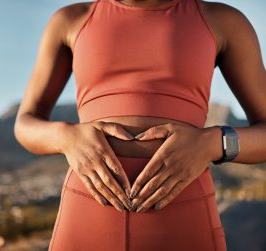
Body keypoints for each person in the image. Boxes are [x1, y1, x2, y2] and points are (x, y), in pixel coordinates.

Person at [14, 0, 266, 250]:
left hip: (185, 218)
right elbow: (25, 123)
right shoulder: (70, 20)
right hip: (85, 218)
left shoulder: (223, 21)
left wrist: (214, 143)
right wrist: (66, 137)